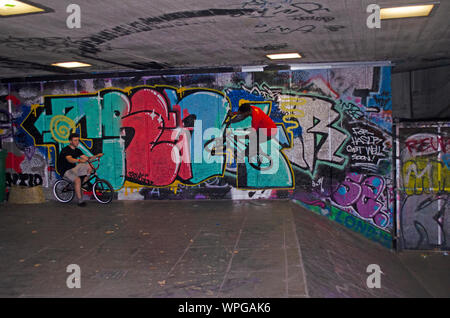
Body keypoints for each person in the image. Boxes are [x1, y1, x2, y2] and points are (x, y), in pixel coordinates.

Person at [57, 133, 103, 207]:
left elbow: (87, 159)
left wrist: (97, 156)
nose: (77, 142)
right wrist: (79, 161)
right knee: (77, 180)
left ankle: (84, 184)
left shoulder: (77, 150)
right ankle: (80, 201)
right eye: (75, 140)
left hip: (73, 169)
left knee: (89, 166)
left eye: (78, 140)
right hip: (65, 170)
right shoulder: (66, 150)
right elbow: (70, 159)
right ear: (70, 141)